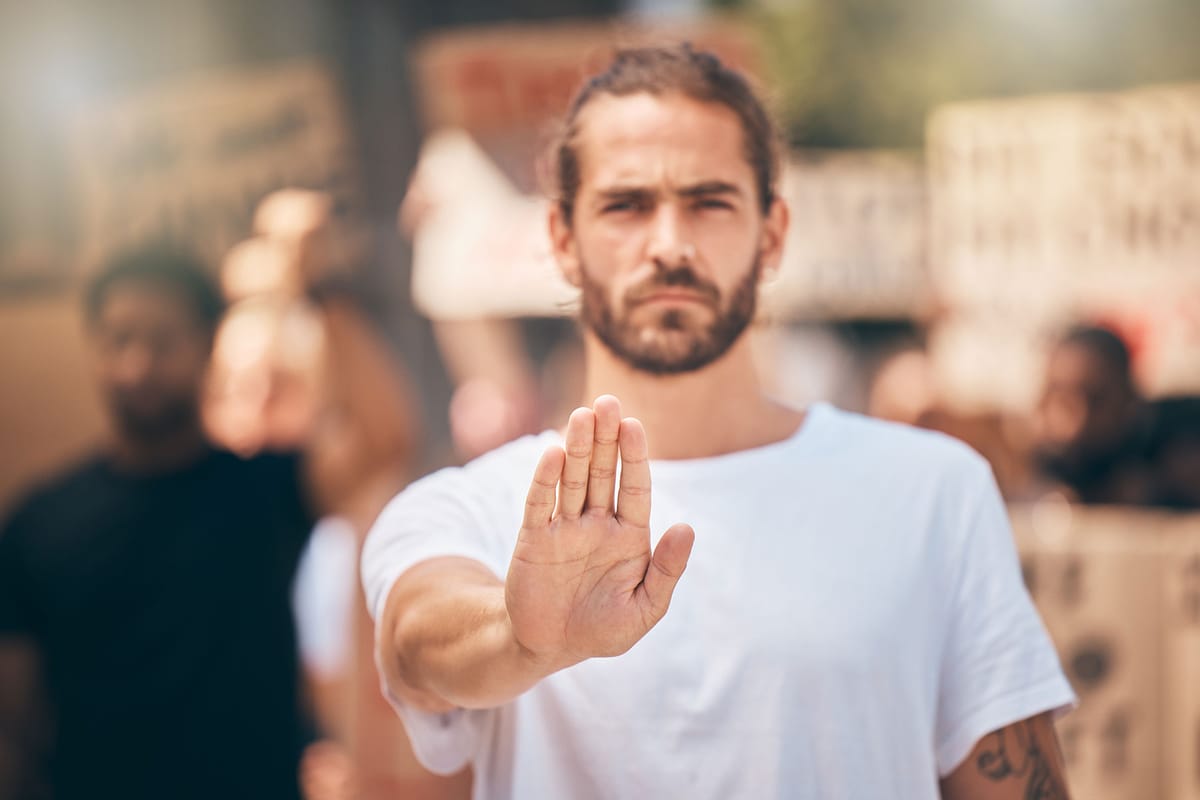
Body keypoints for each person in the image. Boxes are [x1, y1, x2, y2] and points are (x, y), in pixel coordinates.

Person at [362, 44, 1076, 799]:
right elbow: (416, 645)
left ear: (772, 234)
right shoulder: (469, 507)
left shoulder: (936, 491)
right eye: (626, 205)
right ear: (562, 241)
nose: (669, 244)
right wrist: (521, 637)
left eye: (709, 201)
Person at [0, 242, 431, 800]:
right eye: (119, 339)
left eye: (161, 341)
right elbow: (16, 714)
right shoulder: (40, 524)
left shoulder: (265, 489)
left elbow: (384, 435)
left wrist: (323, 290)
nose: (137, 365)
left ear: (207, 344)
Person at [1031, 324, 1152, 505]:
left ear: (1129, 403)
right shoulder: (1024, 484)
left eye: (1096, 400)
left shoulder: (1155, 485)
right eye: (1063, 398)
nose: (1079, 418)